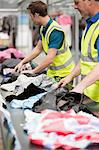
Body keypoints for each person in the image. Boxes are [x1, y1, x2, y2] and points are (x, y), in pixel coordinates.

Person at [14, 1, 75, 82]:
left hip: (64, 75)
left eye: (30, 15)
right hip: (53, 72)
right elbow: (38, 49)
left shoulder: (55, 31)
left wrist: (33, 72)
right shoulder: (44, 28)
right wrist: (22, 62)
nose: (30, 18)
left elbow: (50, 58)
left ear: (36, 15)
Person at [58, 0, 99, 116]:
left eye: (77, 2)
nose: (74, 6)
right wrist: (70, 76)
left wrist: (80, 86)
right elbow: (86, 59)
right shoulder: (90, 25)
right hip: (89, 96)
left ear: (89, 1)